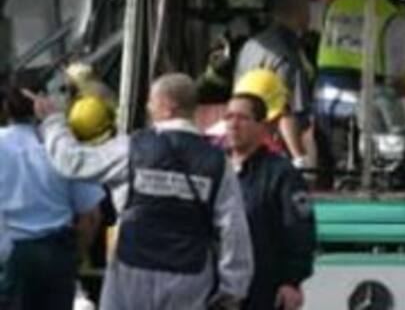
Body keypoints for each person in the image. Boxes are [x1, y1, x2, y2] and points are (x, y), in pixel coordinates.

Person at [33, 72, 254, 310]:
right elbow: (234, 229)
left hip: (131, 272)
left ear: (167, 107)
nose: (148, 108)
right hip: (189, 277)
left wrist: (54, 121)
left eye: (151, 102)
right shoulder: (218, 162)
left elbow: (72, 162)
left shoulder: (132, 147)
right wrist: (232, 289)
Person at [0, 75, 104, 310]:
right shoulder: (64, 148)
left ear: (6, 107)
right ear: (44, 103)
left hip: (12, 257)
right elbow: (91, 217)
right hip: (58, 255)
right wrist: (73, 258)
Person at [313, 0, 405, 184]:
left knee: (327, 167)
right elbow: (395, 75)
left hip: (326, 99)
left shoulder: (336, 4)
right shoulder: (394, 18)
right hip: (363, 100)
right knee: (361, 171)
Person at [224, 92, 316, 310]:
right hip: (218, 290)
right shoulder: (215, 168)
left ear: (262, 127)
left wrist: (291, 282)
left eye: (242, 118)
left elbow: (300, 230)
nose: (233, 125)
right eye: (228, 117)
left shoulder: (282, 174)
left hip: (263, 290)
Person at [234, 0, 315, 168]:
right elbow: (287, 112)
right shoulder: (286, 53)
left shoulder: (251, 46)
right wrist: (300, 159)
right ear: (299, 8)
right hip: (276, 150)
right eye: (308, 5)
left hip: (248, 144)